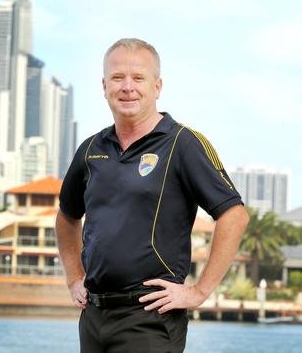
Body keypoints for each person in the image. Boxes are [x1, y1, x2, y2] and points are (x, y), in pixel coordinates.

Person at [56, 38, 249, 353]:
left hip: (150, 317)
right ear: (104, 86)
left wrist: (200, 292)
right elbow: (67, 216)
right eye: (118, 78)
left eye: (138, 78)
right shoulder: (91, 149)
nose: (127, 87)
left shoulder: (183, 144)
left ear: (157, 87)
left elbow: (234, 215)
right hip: (93, 315)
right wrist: (73, 277)